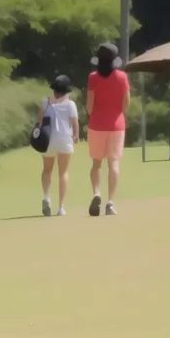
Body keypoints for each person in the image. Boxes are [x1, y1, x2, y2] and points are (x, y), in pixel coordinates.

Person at [86, 43, 131, 216]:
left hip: (96, 124)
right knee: (113, 163)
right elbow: (126, 102)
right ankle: (110, 203)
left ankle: (97, 192)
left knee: (96, 163)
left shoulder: (93, 77)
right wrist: (117, 113)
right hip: (116, 125)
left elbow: (89, 106)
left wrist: (94, 113)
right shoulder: (122, 77)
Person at [36, 75, 79, 216]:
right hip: (64, 139)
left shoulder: (45, 102)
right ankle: (61, 207)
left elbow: (38, 122)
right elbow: (74, 123)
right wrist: (76, 136)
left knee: (47, 170)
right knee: (63, 173)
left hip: (48, 140)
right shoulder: (70, 104)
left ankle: (46, 197)